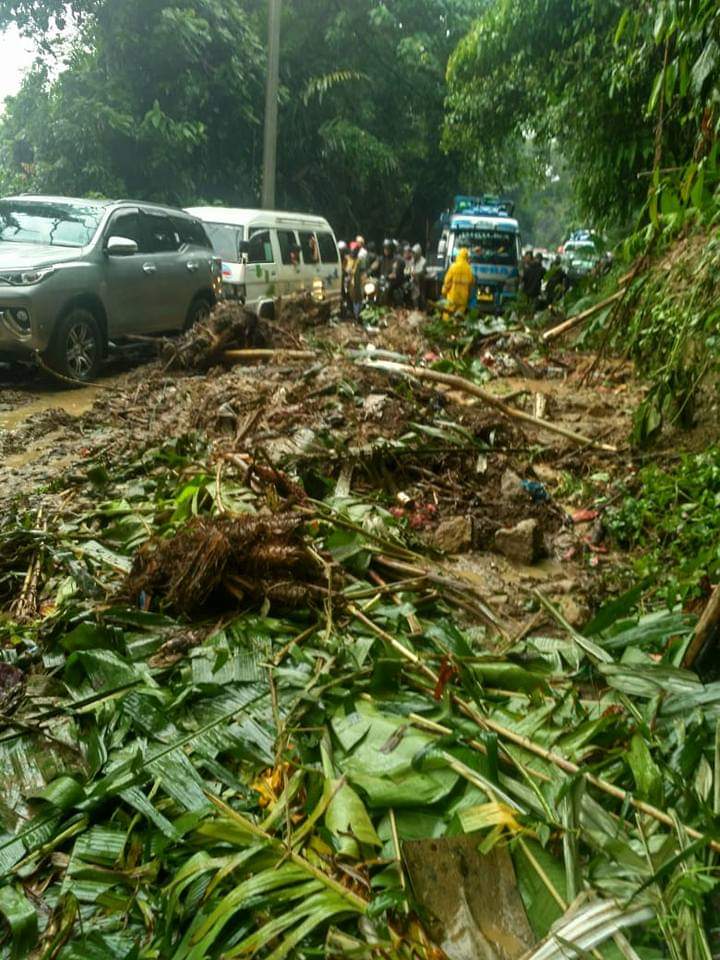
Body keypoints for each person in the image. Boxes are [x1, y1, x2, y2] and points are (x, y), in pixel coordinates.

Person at [441, 246, 474, 319]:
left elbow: (447, 282)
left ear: (458, 256)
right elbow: (471, 284)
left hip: (452, 298)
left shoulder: (453, 267)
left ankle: (446, 328)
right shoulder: (469, 269)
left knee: (448, 316)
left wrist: (444, 292)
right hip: (463, 299)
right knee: (458, 318)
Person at [379, 239, 405, 306]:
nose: (386, 250)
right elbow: (374, 265)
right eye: (384, 248)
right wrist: (367, 271)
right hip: (383, 282)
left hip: (395, 284)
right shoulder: (382, 258)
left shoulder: (397, 259)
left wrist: (387, 276)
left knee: (395, 293)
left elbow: (394, 274)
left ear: (392, 249)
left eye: (387, 248)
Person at [346, 242, 365, 321]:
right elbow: (347, 270)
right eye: (353, 250)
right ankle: (354, 315)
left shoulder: (359, 260)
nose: (353, 252)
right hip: (350, 283)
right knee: (352, 299)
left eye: (355, 250)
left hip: (357, 283)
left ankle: (357, 315)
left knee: (358, 299)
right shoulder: (348, 259)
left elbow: (363, 271)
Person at [409, 243, 427, 309]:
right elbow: (409, 268)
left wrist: (415, 273)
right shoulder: (412, 260)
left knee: (422, 297)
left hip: (421, 281)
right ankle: (415, 309)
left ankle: (424, 310)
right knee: (414, 297)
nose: (413, 254)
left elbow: (421, 270)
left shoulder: (423, 261)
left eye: (414, 253)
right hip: (414, 281)